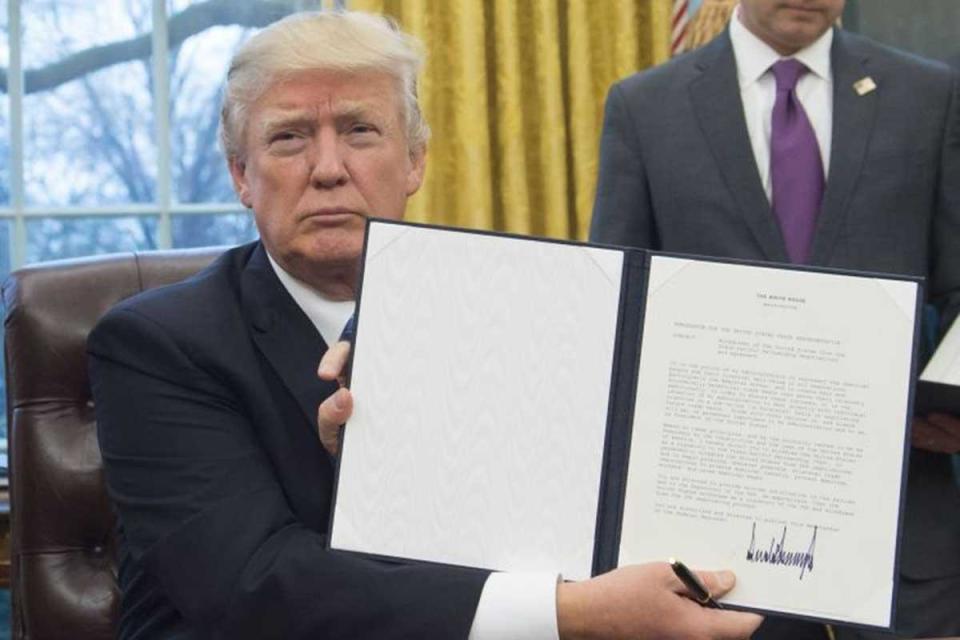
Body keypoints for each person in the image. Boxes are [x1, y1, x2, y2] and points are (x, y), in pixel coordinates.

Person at [89, 11, 762, 640]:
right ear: (242, 174)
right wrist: (572, 613)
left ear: (414, 162)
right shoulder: (156, 344)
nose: (328, 169)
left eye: (360, 130)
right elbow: (256, 586)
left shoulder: (523, 319)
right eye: (290, 137)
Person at [589, 1, 960, 639]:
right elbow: (615, 315)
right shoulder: (646, 108)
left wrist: (938, 407)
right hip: (710, 562)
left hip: (901, 548)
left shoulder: (931, 95)